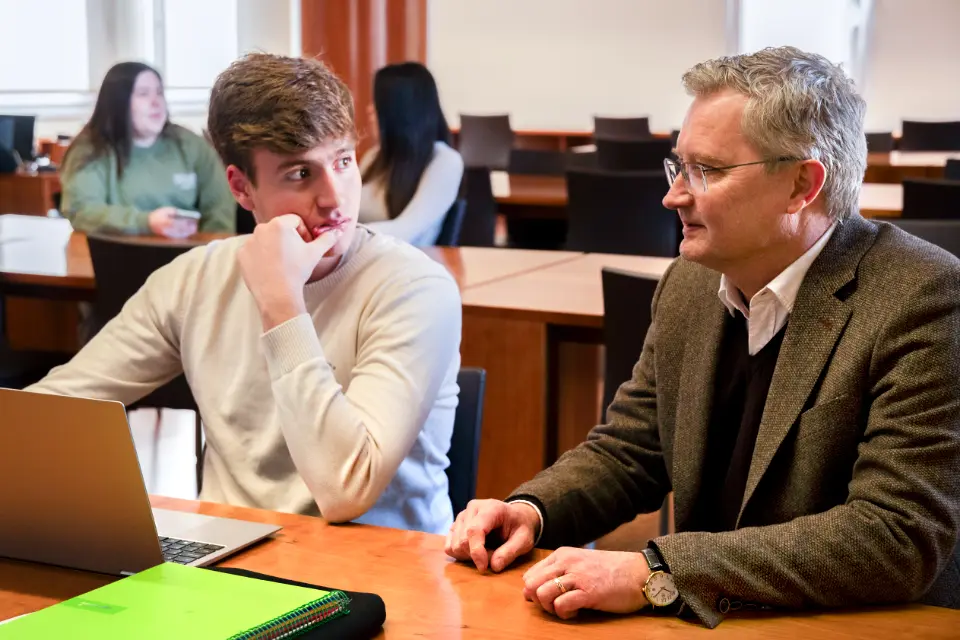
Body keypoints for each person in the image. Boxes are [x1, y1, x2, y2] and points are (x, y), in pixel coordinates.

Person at [445, 46, 960, 627]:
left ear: (801, 185)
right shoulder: (690, 283)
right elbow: (634, 449)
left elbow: (894, 536)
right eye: (678, 167)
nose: (673, 196)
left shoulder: (924, 296)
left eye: (706, 171)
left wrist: (655, 572)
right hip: (706, 616)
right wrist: (533, 509)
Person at [27, 53, 462, 535]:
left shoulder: (415, 288)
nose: (335, 199)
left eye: (342, 161)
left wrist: (282, 303)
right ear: (241, 188)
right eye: (300, 174)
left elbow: (345, 491)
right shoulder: (194, 279)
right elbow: (52, 408)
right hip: (226, 563)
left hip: (383, 579)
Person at [60, 62, 235, 238]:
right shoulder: (91, 149)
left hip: (188, 252)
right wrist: (147, 222)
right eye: (143, 94)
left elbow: (220, 207)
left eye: (159, 92)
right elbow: (82, 211)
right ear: (118, 102)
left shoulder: (188, 144)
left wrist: (211, 251)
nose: (156, 102)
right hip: (116, 253)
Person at [357, 62, 463, 246]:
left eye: (378, 103)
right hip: (362, 259)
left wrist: (342, 237)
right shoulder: (373, 157)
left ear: (400, 110)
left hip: (405, 265)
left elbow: (408, 229)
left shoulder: (445, 161)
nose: (369, 109)